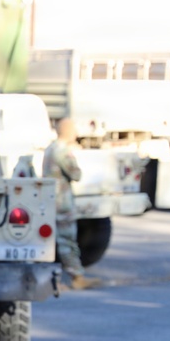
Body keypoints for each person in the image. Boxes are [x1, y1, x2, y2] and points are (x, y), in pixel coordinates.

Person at [42, 118, 100, 290]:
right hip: (62, 203)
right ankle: (77, 277)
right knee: (67, 241)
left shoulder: (51, 148)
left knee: (50, 241)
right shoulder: (62, 150)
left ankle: (54, 278)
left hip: (51, 200)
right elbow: (76, 174)